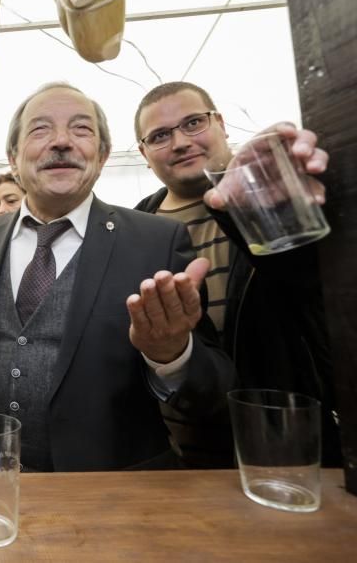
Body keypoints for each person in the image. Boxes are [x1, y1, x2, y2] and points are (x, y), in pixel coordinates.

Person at [0, 81, 236, 472]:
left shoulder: (155, 241)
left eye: (81, 129)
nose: (61, 141)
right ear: (14, 158)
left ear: (102, 155)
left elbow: (214, 391)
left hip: (115, 490)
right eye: (40, 130)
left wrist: (172, 353)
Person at [134, 81, 338, 466]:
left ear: (221, 123)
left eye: (193, 123)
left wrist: (270, 202)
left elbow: (314, 287)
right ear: (144, 153)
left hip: (288, 437)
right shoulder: (132, 228)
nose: (179, 142)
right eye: (160, 135)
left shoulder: (279, 191)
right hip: (177, 448)